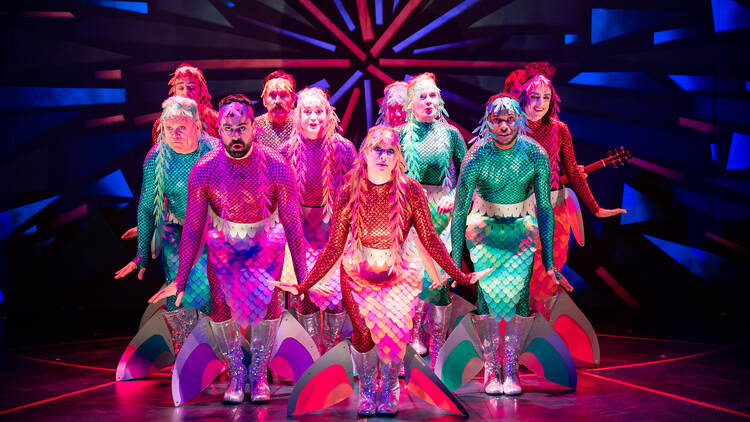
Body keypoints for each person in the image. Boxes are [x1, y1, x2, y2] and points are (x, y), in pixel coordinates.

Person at [271, 125, 489, 416]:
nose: (383, 156)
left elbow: (429, 239)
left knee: (394, 335)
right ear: (365, 153)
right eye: (377, 149)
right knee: (363, 335)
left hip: (397, 274)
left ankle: (389, 387)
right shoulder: (348, 191)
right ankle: (367, 391)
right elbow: (334, 247)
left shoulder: (411, 190)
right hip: (358, 273)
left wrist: (459, 275)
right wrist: (304, 284)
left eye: (390, 150)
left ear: (397, 155)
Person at [148, 94, 311, 404]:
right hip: (224, 249)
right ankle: (237, 374)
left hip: (265, 248)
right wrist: (180, 281)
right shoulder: (205, 168)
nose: (235, 135)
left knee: (268, 308)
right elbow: (193, 229)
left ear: (253, 126)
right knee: (221, 310)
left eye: (241, 127)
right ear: (219, 129)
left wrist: (304, 278)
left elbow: (293, 226)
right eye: (228, 128)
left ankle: (258, 375)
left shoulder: (277, 166)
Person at [451, 93, 559, 396]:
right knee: (486, 297)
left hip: (521, 231)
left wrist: (549, 263)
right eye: (497, 120)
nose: (503, 126)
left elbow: (545, 208)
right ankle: (491, 368)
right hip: (484, 232)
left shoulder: (536, 154)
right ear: (488, 122)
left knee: (520, 298)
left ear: (519, 120)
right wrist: (455, 263)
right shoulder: (476, 156)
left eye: (509, 119)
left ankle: (511, 367)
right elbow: (460, 210)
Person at [115, 96, 217, 359]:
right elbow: (147, 207)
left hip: (211, 232)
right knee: (177, 291)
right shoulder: (156, 157)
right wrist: (141, 255)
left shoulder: (214, 152)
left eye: (182, 127)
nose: (175, 134)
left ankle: (216, 352)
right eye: (169, 128)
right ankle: (185, 354)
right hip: (177, 232)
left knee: (208, 288)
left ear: (197, 125)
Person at [521, 74, 626, 317]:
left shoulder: (560, 130)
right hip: (520, 210)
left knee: (549, 273)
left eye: (545, 98)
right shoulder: (511, 127)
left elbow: (573, 172)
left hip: (554, 209)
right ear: (524, 97)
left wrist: (596, 208)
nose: (540, 103)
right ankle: (515, 335)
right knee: (522, 272)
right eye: (535, 96)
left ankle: (539, 331)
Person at [278, 87, 356, 353]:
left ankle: (333, 352)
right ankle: (310, 352)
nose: (313, 117)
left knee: (334, 296)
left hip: (333, 232)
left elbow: (355, 191)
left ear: (328, 115)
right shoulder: (286, 149)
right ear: (298, 115)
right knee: (307, 293)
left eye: (319, 112)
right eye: (307, 112)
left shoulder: (342, 148)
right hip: (300, 233)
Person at [397, 73, 467, 367]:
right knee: (411, 278)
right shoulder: (399, 133)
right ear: (409, 103)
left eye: (433, 96)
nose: (428, 101)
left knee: (439, 280)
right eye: (422, 96)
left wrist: (455, 197)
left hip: (441, 212)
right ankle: (412, 337)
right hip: (409, 210)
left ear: (440, 101)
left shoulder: (450, 134)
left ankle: (437, 343)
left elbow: (469, 173)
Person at [255, 70, 296, 149]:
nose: (277, 101)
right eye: (272, 95)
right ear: (264, 100)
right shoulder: (254, 127)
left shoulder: (303, 124)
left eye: (283, 95)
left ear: (293, 99)